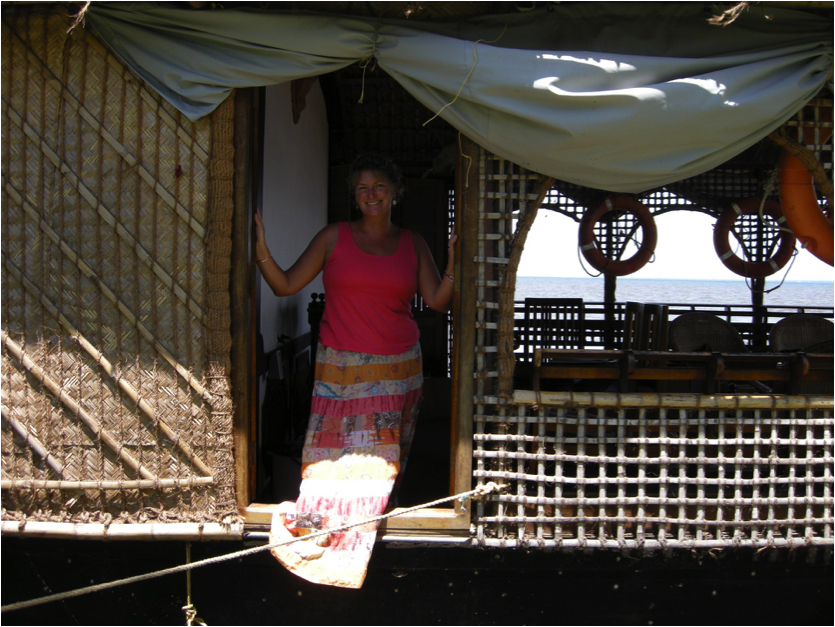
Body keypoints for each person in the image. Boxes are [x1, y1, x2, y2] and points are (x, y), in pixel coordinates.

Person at [254, 153, 456, 588]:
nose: (371, 194)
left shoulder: (413, 243)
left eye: (379, 186)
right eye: (362, 188)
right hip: (341, 373)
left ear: (395, 191)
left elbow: (437, 301)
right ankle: (325, 534)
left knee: (381, 466)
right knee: (328, 463)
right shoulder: (333, 237)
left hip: (399, 371)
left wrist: (454, 266)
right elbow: (285, 285)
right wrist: (261, 251)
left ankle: (369, 540)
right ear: (354, 195)